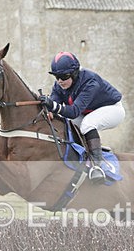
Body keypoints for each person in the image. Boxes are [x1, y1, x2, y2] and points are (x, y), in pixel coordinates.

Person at [38, 52, 125, 183]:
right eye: (57, 77)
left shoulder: (90, 81)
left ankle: (97, 166)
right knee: (67, 124)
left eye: (64, 76)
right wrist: (48, 109)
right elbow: (54, 106)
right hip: (88, 112)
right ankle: (81, 157)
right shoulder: (59, 86)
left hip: (113, 110)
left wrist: (53, 106)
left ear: (74, 73)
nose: (60, 81)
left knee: (88, 124)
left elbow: (74, 111)